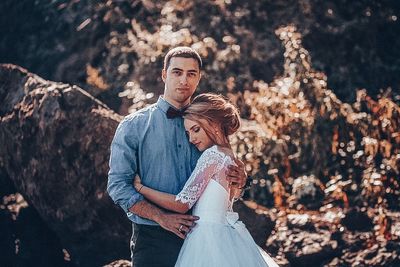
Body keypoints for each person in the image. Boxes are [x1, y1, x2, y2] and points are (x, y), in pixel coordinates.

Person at [107, 47, 247, 267]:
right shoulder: (134, 126)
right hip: (153, 240)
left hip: (205, 241)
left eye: (191, 73)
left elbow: (224, 175)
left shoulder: (209, 125)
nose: (184, 80)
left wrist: (241, 180)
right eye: (177, 72)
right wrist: (160, 217)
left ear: (199, 78)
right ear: (164, 74)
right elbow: (118, 186)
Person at [134, 93, 279, 267]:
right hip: (227, 235)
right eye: (188, 132)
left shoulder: (212, 155)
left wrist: (140, 188)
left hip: (206, 237)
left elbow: (182, 203)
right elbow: (234, 194)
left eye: (196, 129)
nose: (191, 139)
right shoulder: (231, 157)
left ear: (214, 124)